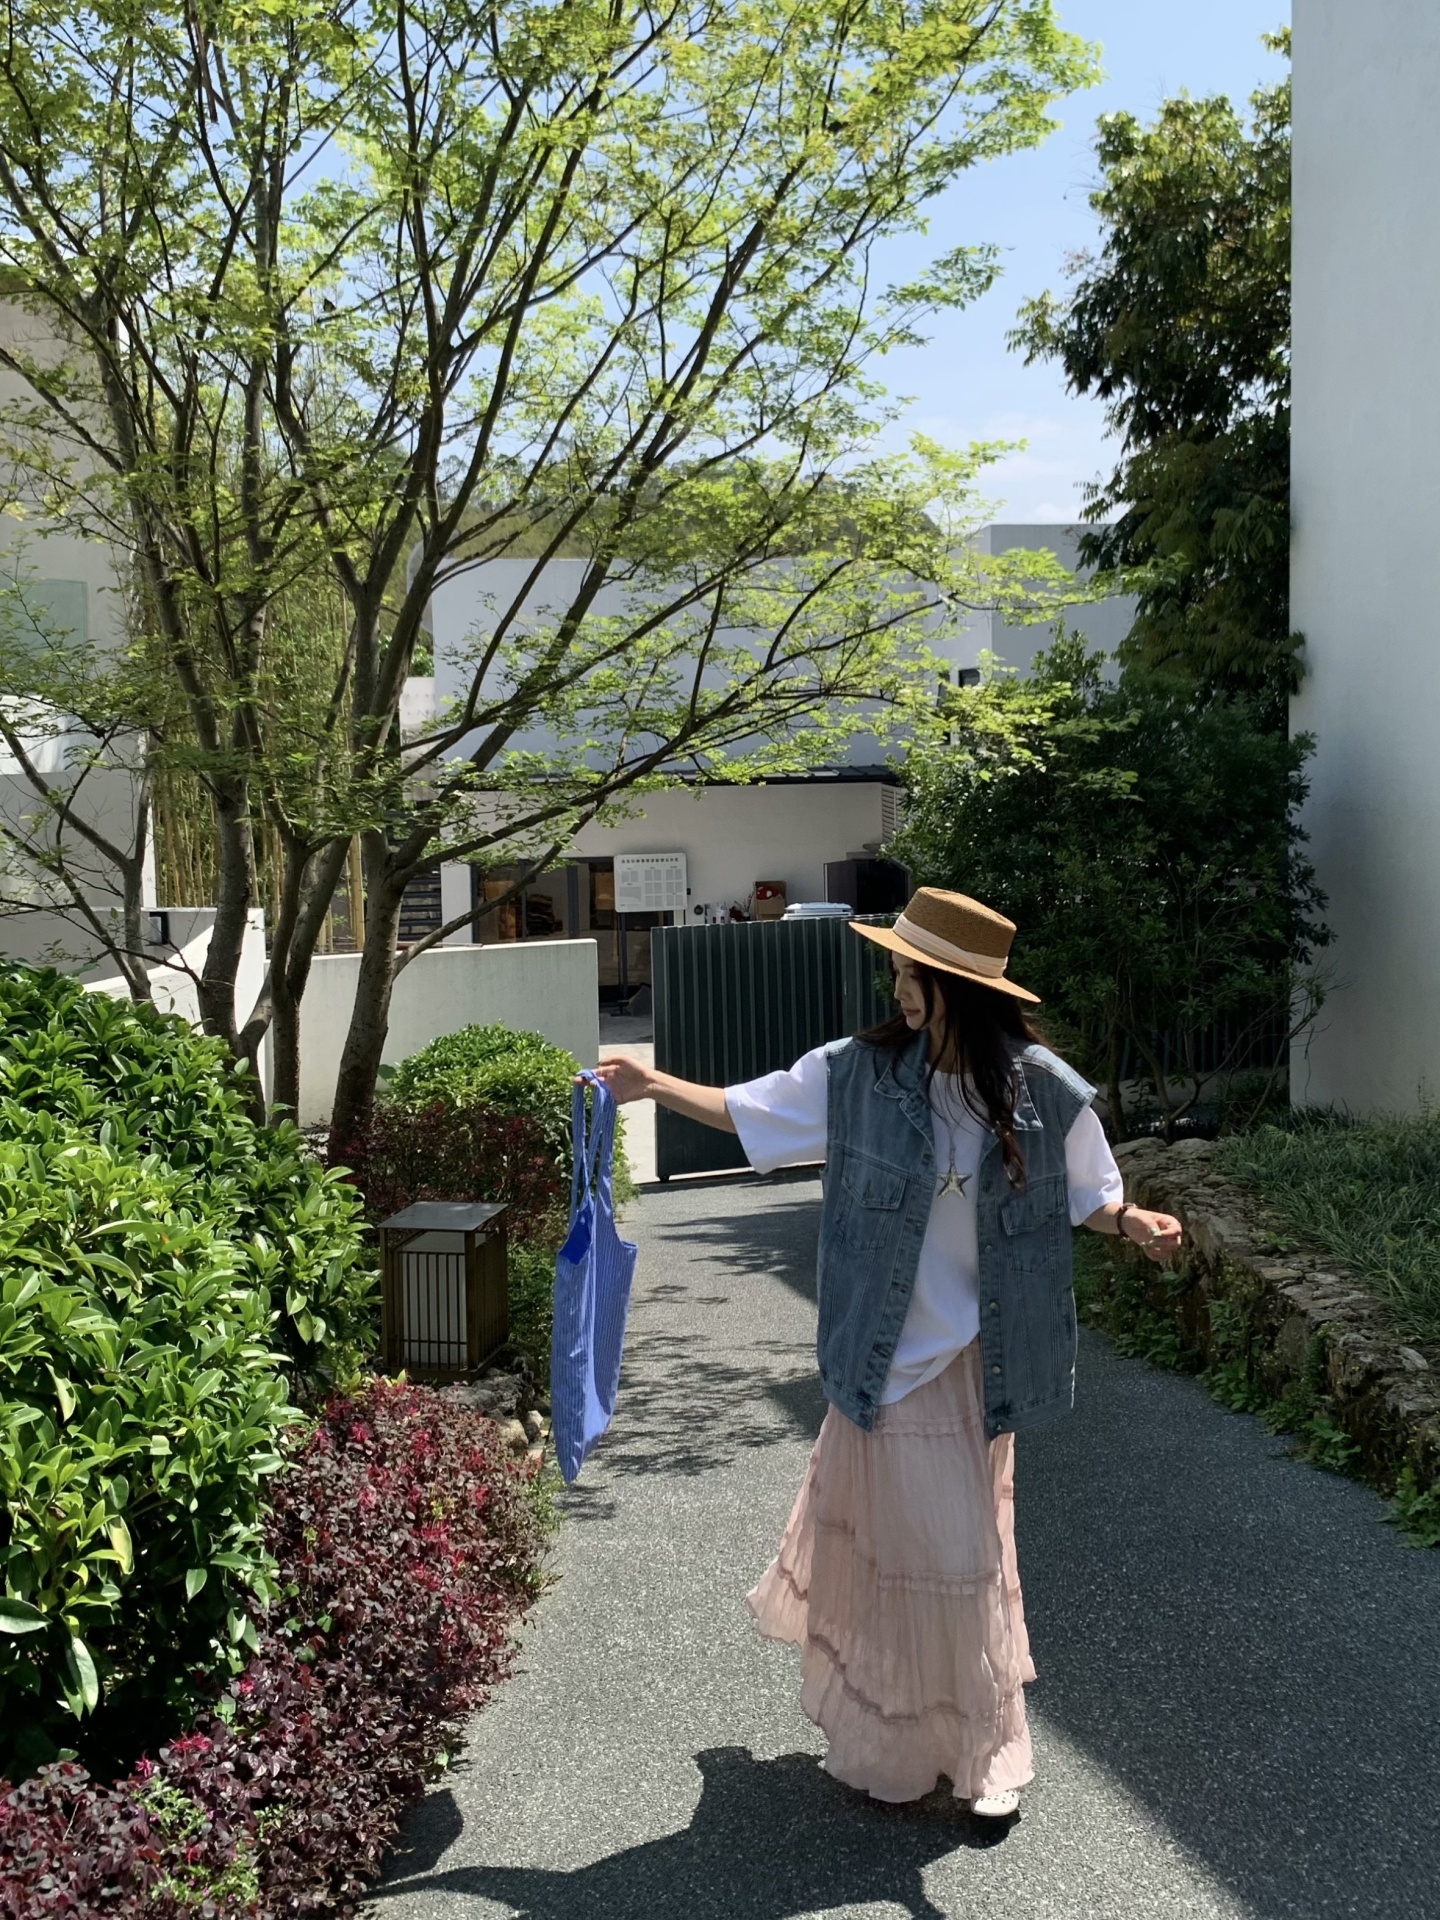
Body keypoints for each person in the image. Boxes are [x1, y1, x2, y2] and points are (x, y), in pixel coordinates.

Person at [592, 887, 1182, 1820]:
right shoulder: (857, 1074)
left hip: (976, 1365)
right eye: (900, 968)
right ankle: (900, 1744)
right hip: (881, 1358)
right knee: (901, 1562)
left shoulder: (1044, 1093)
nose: (899, 987)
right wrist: (653, 1084)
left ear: (963, 989)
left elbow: (1091, 1194)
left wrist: (1132, 1221)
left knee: (962, 1560)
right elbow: (750, 1112)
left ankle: (984, 1756)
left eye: (915, 973)